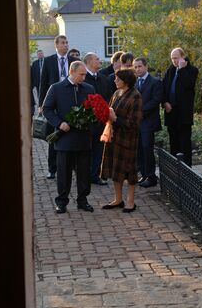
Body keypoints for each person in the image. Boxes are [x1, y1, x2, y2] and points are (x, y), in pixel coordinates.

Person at [43, 61, 95, 214]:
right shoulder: (56, 88)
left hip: (84, 137)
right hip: (64, 137)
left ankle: (83, 200)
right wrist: (59, 124)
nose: (84, 78)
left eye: (85, 74)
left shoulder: (89, 88)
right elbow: (47, 109)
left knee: (84, 171)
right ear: (72, 72)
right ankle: (61, 202)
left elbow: (94, 108)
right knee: (64, 171)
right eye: (82, 74)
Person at [100, 68, 143, 213]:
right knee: (115, 169)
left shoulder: (135, 96)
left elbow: (135, 123)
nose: (114, 80)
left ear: (125, 81)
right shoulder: (116, 93)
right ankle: (118, 199)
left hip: (127, 139)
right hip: (114, 137)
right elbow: (110, 111)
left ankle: (131, 202)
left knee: (129, 170)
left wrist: (116, 119)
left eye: (117, 79)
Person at [38, 35, 78, 179]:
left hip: (71, 102)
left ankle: (73, 167)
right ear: (56, 45)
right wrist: (41, 104)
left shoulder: (74, 61)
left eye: (67, 42)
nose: (66, 45)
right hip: (54, 102)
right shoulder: (48, 61)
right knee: (54, 135)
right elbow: (43, 84)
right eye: (63, 43)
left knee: (72, 133)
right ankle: (52, 168)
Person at [162, 47, 198, 166]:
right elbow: (163, 88)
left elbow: (189, 84)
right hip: (171, 112)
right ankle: (175, 169)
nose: (174, 61)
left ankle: (187, 170)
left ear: (183, 57)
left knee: (184, 143)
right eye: (172, 58)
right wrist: (165, 102)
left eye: (176, 58)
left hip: (183, 113)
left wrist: (182, 69)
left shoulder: (191, 70)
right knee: (174, 143)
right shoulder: (170, 70)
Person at [82, 52, 112, 186]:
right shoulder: (83, 79)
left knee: (99, 149)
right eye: (97, 59)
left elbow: (108, 98)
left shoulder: (103, 79)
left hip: (101, 121)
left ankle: (95, 175)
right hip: (87, 121)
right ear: (89, 62)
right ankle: (84, 175)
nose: (100, 61)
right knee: (86, 149)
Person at [133, 57, 163, 188]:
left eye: (139, 66)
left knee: (147, 148)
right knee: (139, 149)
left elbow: (156, 100)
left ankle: (151, 177)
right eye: (135, 67)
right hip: (136, 122)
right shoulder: (134, 82)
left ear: (145, 66)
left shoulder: (155, 82)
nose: (137, 69)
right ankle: (144, 174)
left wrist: (140, 110)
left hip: (148, 121)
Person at [30, 49, 45, 116]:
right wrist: (33, 83)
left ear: (43, 54)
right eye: (39, 54)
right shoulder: (35, 63)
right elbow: (32, 74)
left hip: (45, 82)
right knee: (39, 97)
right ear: (37, 55)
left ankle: (45, 109)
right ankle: (40, 110)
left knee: (46, 96)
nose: (40, 55)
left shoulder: (46, 61)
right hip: (38, 83)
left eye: (41, 54)